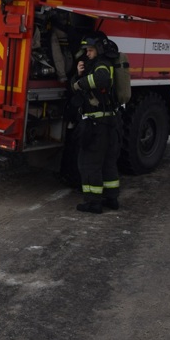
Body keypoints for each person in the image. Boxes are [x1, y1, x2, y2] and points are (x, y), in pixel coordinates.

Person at [70, 35, 120, 214]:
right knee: (107, 162)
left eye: (90, 50)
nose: (87, 54)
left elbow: (101, 80)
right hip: (108, 122)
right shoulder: (99, 64)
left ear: (99, 49)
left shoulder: (102, 64)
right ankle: (111, 198)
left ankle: (93, 202)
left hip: (97, 123)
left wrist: (79, 83)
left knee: (89, 163)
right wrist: (80, 73)